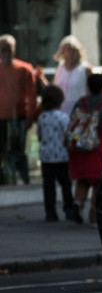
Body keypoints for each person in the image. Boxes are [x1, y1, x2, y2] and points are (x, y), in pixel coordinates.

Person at [67, 73, 102, 225]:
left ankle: (77, 203)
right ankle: (94, 214)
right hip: (97, 149)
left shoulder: (80, 102)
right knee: (98, 183)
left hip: (78, 148)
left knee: (83, 180)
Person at [36, 84, 78, 222]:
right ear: (60, 100)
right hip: (61, 157)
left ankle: (50, 212)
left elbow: (40, 136)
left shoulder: (42, 117)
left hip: (46, 157)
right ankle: (69, 208)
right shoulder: (63, 117)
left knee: (48, 186)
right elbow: (68, 135)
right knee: (66, 184)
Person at [0, 35, 38, 184]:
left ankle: (23, 179)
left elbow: (31, 95)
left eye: (8, 48)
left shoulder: (24, 69)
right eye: (3, 49)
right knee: (1, 150)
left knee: (18, 151)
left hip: (19, 116)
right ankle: (3, 180)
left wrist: (29, 116)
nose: (6, 52)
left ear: (14, 49)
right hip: (1, 117)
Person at [53, 35, 90, 113]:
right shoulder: (59, 69)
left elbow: (90, 92)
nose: (71, 53)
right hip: (61, 110)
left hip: (79, 110)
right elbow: (55, 89)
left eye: (73, 49)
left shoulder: (85, 69)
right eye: (68, 49)